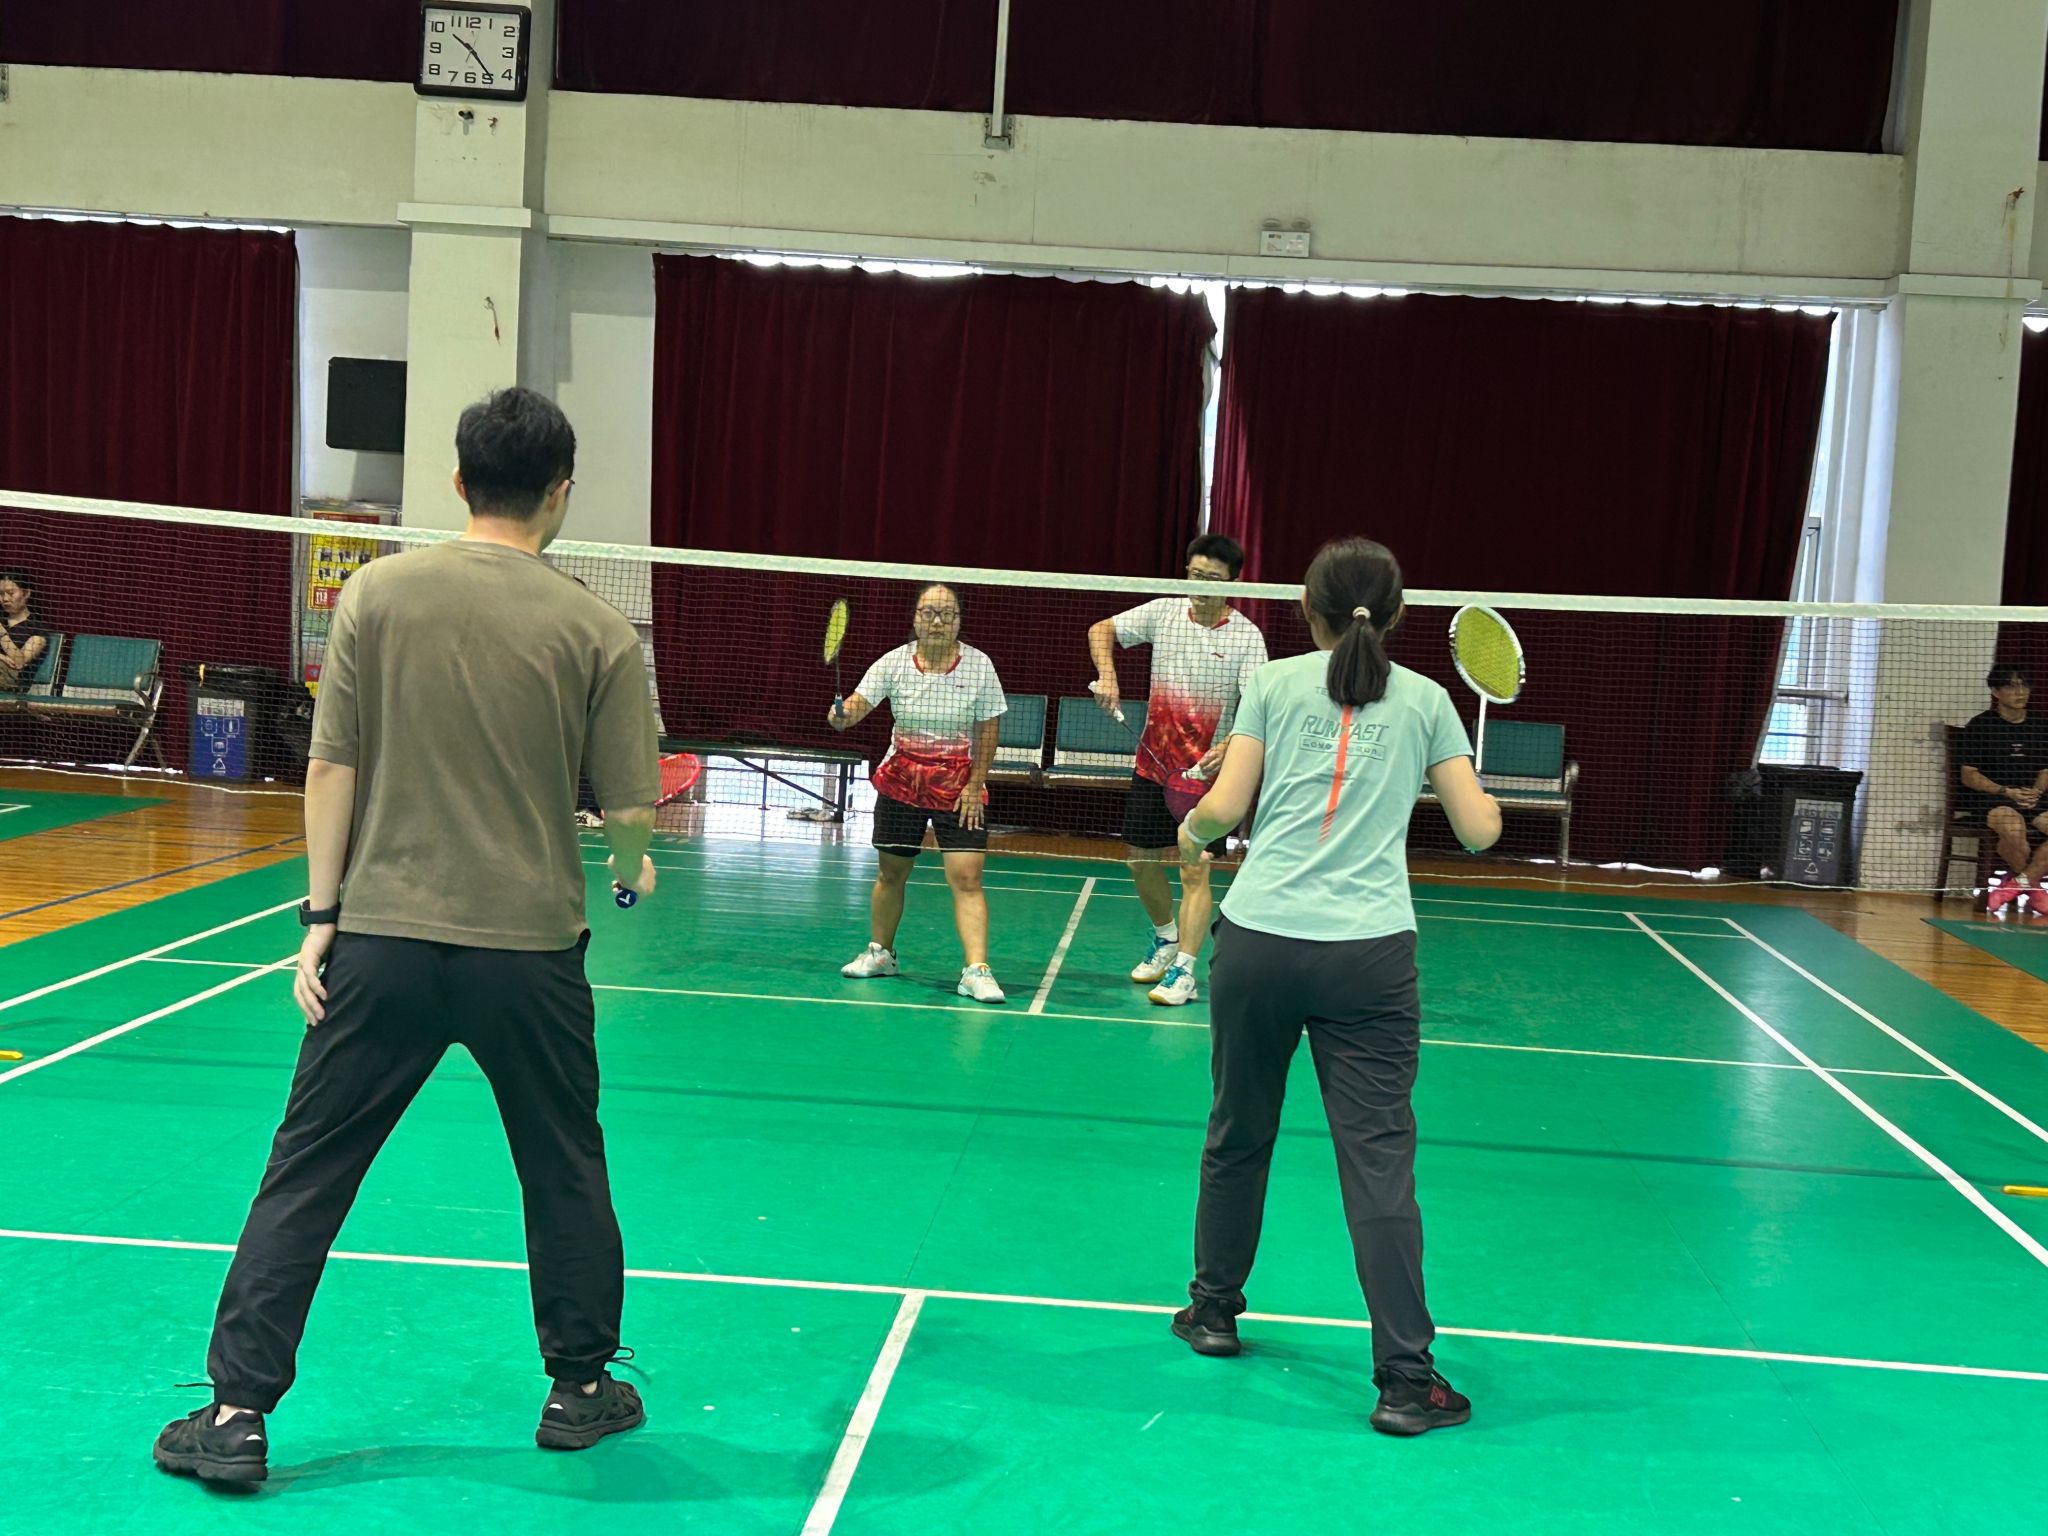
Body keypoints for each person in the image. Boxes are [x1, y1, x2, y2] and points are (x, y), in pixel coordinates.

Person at [153, 388, 663, 1485]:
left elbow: (330, 764)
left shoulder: (374, 595)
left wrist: (320, 918)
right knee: (563, 1166)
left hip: (379, 940)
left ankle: (236, 1415)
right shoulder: (597, 629)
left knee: (307, 1172)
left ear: (457, 481)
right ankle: (581, 1390)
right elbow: (631, 804)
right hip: (529, 954)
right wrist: (631, 868)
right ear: (562, 492)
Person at [1168, 537, 1500, 1438]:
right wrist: (1487, 797)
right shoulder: (1428, 700)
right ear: (1396, 615)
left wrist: (1190, 838)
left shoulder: (1271, 683)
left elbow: (1222, 811)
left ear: (1306, 609)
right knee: (1378, 1161)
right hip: (1369, 959)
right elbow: (1477, 832)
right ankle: (1405, 1381)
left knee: (1237, 1132)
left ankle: (1212, 1311)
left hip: (1259, 943)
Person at [1087, 534, 1268, 1006]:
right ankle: (1167, 938)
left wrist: (1229, 745)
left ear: (1233, 583)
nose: (1201, 586)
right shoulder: (1164, 612)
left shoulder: (1246, 637)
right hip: (1153, 764)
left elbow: (1258, 707)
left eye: (1213, 579)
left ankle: (1185, 972)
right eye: (1195, 575)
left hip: (1205, 778)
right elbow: (1100, 630)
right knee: (1139, 860)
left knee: (1195, 867)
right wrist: (1108, 674)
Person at [831, 583, 1010, 1004]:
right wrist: (841, 715)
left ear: (959, 621)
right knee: (891, 874)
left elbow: (989, 730)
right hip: (901, 781)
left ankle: (976, 970)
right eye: (928, 612)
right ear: (914, 618)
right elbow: (856, 707)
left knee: (967, 877)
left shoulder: (979, 665)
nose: (937, 621)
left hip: (958, 785)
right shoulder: (894, 661)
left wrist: (975, 785)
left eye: (947, 614)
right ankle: (881, 953)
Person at [1960, 661, 2048, 914]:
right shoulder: (1980, 726)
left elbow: (2045, 771)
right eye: (2011, 686)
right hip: (1992, 798)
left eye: (2025, 686)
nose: (2021, 692)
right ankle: (2034, 889)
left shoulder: (2040, 726)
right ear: (1996, 692)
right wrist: (2005, 791)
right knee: (2013, 828)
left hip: (2031, 797)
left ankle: (2016, 884)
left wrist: (2037, 791)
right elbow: (1969, 776)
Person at [0, 568, 50, 691]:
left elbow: (19, 662)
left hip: (11, 685)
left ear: (26, 593)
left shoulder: (37, 629)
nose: (5, 599)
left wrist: (1, 633)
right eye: (0, 594)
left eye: (11, 593)